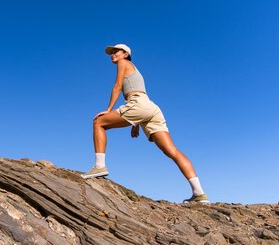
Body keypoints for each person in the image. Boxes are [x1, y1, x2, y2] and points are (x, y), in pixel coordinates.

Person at [83, 43, 209, 203]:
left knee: (99, 122)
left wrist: (108, 109)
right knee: (172, 151)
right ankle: (199, 194)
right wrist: (136, 123)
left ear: (125, 54)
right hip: (151, 108)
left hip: (138, 103)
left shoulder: (123, 63)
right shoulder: (133, 68)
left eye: (116, 51)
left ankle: (99, 166)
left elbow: (117, 86)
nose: (112, 54)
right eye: (111, 52)